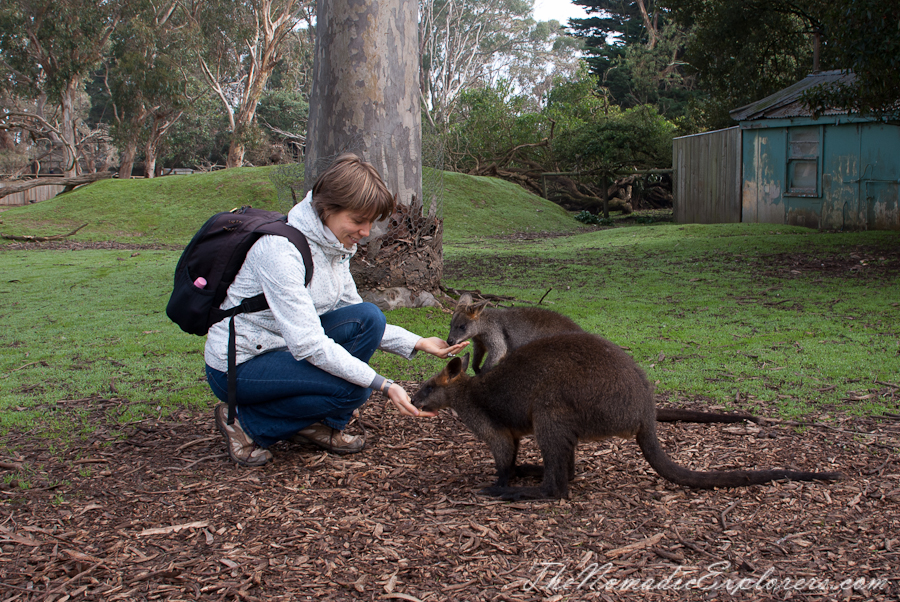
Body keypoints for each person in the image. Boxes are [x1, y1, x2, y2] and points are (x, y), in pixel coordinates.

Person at [204, 153, 467, 466]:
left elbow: (355, 313)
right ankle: (246, 422)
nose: (366, 231)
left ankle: (321, 422)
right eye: (358, 221)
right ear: (327, 209)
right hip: (241, 364)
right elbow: (309, 344)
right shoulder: (280, 251)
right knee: (354, 390)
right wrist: (384, 384)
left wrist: (418, 342)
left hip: (283, 349)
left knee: (369, 317)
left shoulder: (334, 247)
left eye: (370, 222)